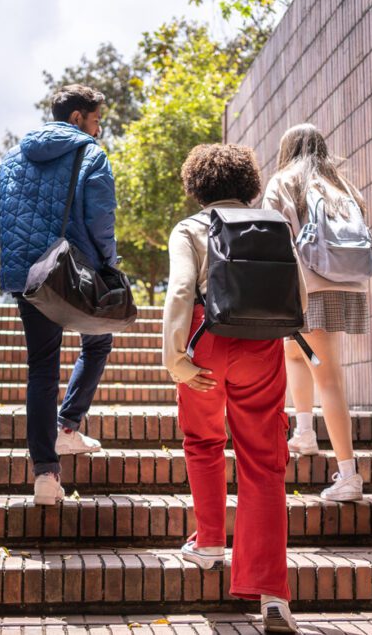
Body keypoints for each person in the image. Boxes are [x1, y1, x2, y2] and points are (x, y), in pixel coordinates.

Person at [163, 144, 299, 633]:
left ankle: (208, 543)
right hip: (261, 343)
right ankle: (273, 596)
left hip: (205, 336)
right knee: (264, 462)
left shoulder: (190, 228)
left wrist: (173, 356)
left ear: (196, 185)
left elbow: (181, 289)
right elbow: (292, 289)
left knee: (203, 441)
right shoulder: (275, 223)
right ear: (249, 182)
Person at [0, 84, 117, 506]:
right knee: (98, 341)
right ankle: (68, 427)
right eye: (95, 120)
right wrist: (108, 264)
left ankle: (45, 475)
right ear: (77, 117)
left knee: (42, 368)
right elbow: (100, 219)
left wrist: (26, 252)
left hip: (30, 278)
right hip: (75, 271)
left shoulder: (9, 161)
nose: (98, 130)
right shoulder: (90, 154)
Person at [262, 124, 370, 502]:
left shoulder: (282, 181)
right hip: (344, 283)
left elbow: (272, 239)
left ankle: (349, 475)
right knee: (296, 351)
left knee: (329, 378)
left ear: (287, 149)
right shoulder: (341, 184)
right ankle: (305, 431)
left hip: (307, 286)